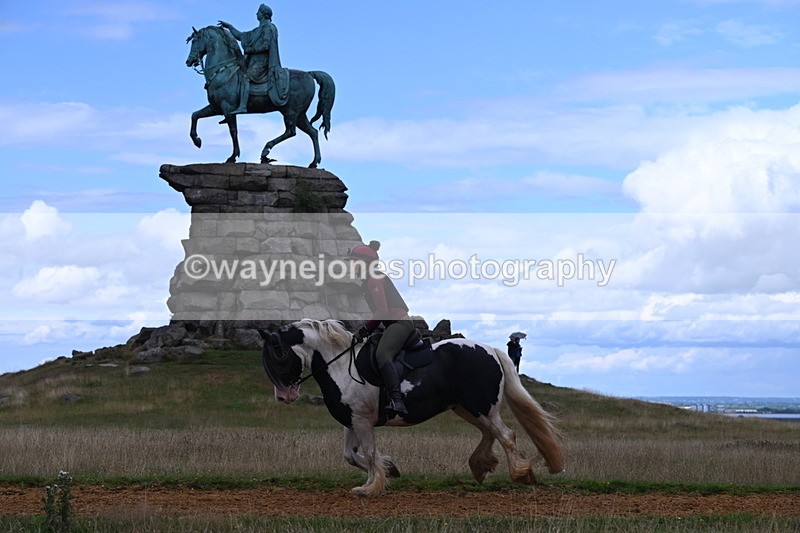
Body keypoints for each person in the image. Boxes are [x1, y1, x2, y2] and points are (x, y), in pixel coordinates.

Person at [351, 241, 413, 415]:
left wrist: (363, 331)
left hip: (399, 323)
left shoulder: (374, 280)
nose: (352, 265)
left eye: (355, 261)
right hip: (390, 325)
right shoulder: (370, 280)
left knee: (382, 355)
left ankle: (397, 401)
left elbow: (382, 311)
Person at [218, 4, 289, 118]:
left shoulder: (269, 28)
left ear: (263, 14)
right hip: (253, 61)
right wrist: (230, 27)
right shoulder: (257, 30)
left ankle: (242, 106)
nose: (256, 14)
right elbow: (241, 36)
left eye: (258, 12)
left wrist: (250, 49)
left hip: (262, 62)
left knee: (245, 77)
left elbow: (265, 46)